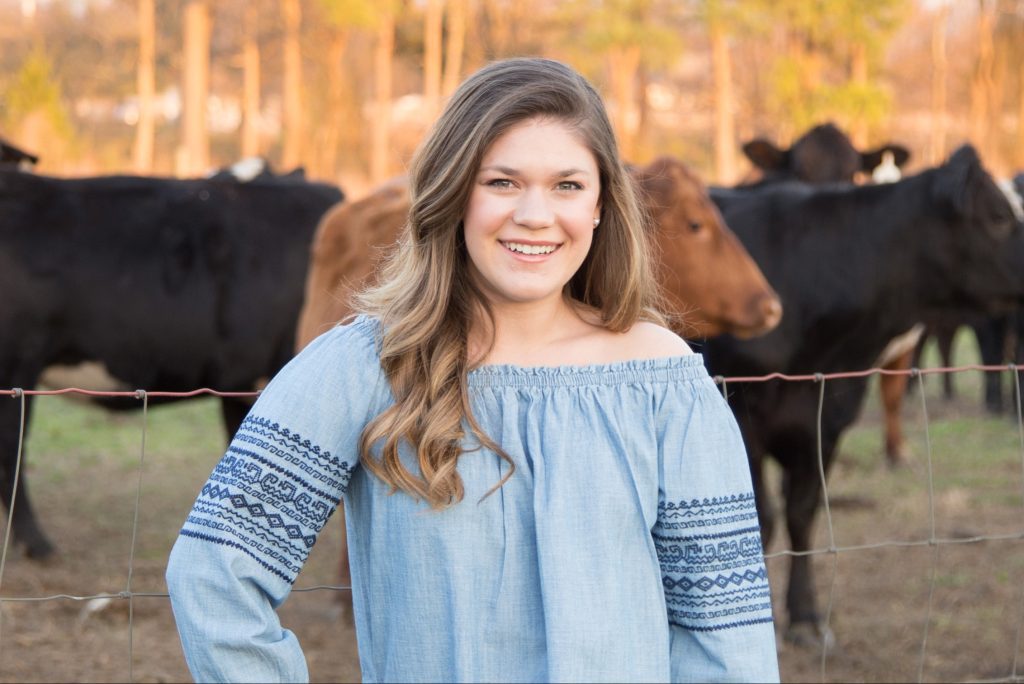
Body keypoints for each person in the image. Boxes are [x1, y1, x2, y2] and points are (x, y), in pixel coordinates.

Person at [165, 57, 779, 683]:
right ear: (452, 193)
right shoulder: (366, 366)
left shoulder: (663, 381)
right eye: (502, 182)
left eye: (567, 185)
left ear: (600, 205)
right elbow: (216, 572)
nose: (536, 215)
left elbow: (726, 633)